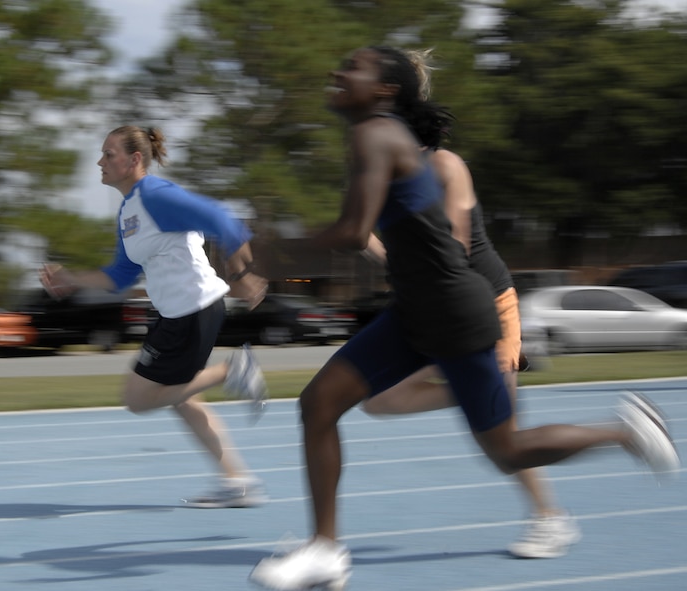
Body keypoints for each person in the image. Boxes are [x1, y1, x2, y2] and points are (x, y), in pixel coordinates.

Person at [249, 46, 679, 590]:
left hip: (456, 314)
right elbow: (373, 238)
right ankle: (325, 552)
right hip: (417, 312)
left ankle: (625, 434)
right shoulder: (382, 138)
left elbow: (355, 233)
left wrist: (270, 253)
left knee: (507, 452)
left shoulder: (377, 135)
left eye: (353, 66)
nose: (337, 71)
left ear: (385, 91)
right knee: (320, 403)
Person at [358, 49, 580, 559]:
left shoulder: (444, 166)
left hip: (484, 303)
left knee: (501, 443)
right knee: (378, 400)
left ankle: (552, 518)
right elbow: (382, 249)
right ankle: (477, 389)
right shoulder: (386, 182)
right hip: (435, 309)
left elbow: (454, 249)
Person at [40, 125, 269, 508]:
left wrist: (241, 274)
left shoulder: (155, 194)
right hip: (176, 313)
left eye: (108, 153)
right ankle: (237, 481)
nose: (100, 161)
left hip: (192, 310)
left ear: (134, 160)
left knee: (139, 398)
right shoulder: (129, 211)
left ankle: (233, 371)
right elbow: (119, 276)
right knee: (183, 398)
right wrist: (71, 280)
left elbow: (223, 219)